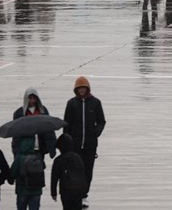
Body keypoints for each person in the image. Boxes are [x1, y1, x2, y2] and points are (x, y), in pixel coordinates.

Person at [62, 76, 106, 208]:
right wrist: (66, 142)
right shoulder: (71, 103)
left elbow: (101, 121)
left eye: (83, 88)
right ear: (76, 89)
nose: (81, 90)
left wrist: (95, 133)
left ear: (87, 89)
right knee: (76, 171)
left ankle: (84, 195)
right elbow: (66, 124)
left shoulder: (96, 103)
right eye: (79, 88)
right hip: (75, 145)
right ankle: (76, 195)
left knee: (88, 171)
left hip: (90, 145)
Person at [11, 89, 56, 159]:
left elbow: (49, 129)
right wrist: (15, 150)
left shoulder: (42, 111)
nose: (32, 100)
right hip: (25, 149)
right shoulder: (19, 113)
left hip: (40, 148)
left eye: (34, 98)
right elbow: (16, 134)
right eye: (30, 98)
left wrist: (52, 146)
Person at [50, 134, 87, 210]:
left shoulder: (58, 160)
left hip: (66, 190)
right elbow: (83, 174)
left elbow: (54, 178)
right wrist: (84, 190)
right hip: (78, 189)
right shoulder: (78, 157)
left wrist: (53, 192)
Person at [11, 135, 45, 210]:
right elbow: (43, 167)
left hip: (22, 191)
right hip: (36, 191)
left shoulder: (19, 158)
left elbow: (12, 173)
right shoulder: (38, 156)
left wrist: (11, 180)